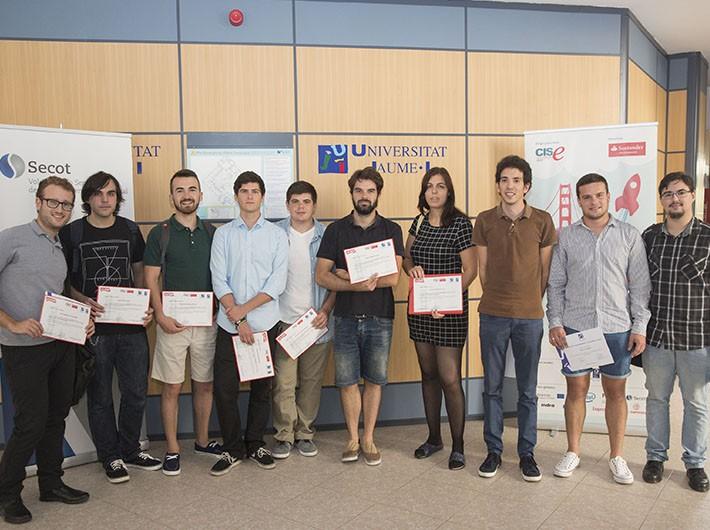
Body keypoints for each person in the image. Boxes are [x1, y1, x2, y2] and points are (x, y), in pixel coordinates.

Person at [547, 173, 650, 484]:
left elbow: (641, 287)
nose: (594, 202)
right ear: (579, 200)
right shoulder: (566, 236)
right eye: (587, 197)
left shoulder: (629, 235)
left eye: (599, 195)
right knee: (576, 390)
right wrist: (555, 322)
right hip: (576, 327)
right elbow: (556, 284)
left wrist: (639, 326)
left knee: (615, 393)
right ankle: (573, 451)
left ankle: (617, 456)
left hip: (617, 328)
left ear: (608, 195)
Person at [0, 177, 91, 524]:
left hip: (60, 344)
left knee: (56, 417)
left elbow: (58, 294)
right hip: (24, 349)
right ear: (38, 202)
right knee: (30, 423)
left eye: (66, 204)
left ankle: (51, 484)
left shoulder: (59, 244)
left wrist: (82, 319)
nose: (60, 209)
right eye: (53, 202)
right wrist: (11, 323)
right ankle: (7, 494)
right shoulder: (12, 238)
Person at [59, 171, 159, 485]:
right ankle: (110, 456)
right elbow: (63, 279)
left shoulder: (130, 230)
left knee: (136, 393)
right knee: (100, 396)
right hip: (93, 329)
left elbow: (139, 273)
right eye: (98, 194)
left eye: (111, 193)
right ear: (87, 198)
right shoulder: (72, 233)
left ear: (118, 198)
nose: (105, 200)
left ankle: (130, 449)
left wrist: (145, 306)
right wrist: (81, 300)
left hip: (131, 328)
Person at [473, 155, 556, 482]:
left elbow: (545, 270)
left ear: (527, 186)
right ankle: (493, 450)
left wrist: (529, 299)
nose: (510, 186)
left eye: (516, 181)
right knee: (492, 387)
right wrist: (498, 296)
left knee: (527, 390)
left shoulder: (542, 221)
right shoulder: (484, 220)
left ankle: (526, 453)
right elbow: (482, 268)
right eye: (504, 180)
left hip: (529, 316)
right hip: (492, 314)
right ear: (497, 185)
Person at [316, 166, 403, 466]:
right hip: (345, 317)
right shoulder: (335, 230)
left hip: (380, 317)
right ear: (351, 193)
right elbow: (321, 275)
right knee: (347, 381)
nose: (364, 196)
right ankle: (352, 438)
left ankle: (368, 438)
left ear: (378, 194)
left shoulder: (392, 230)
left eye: (370, 191)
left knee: (375, 380)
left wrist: (348, 274)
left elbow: (393, 278)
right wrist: (356, 283)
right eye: (359, 190)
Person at [209, 171, 288, 476]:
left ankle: (255, 443)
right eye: (244, 191)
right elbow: (219, 279)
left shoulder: (276, 235)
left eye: (255, 191)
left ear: (263, 196)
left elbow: (276, 283)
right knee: (224, 389)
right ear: (236, 196)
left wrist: (245, 313)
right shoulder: (223, 235)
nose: (250, 196)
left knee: (261, 389)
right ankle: (232, 448)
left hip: (265, 323)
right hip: (230, 325)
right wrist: (239, 317)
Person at [143, 169, 222, 476]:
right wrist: (160, 315)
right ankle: (173, 449)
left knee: (205, 385)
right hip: (171, 323)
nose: (186, 195)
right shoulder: (159, 233)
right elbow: (151, 278)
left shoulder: (213, 233)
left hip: (207, 323)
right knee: (172, 388)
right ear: (171, 197)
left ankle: (201, 441)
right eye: (179, 190)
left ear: (201, 195)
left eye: (191, 189)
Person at [402, 167, 476, 470]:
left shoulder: (460, 224)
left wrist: (448, 301)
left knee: (450, 378)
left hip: (450, 312)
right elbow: (407, 257)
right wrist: (411, 269)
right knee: (428, 374)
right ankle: (434, 438)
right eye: (429, 186)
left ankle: (458, 446)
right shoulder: (418, 221)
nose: (434, 192)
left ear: (449, 191)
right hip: (421, 310)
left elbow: (471, 270)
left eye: (440, 186)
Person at [641, 172, 710, 493]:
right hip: (657, 338)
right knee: (657, 399)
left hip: (697, 340)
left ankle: (695, 463)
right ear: (662, 200)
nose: (675, 199)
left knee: (696, 403)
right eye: (668, 194)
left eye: (681, 192)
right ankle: (655, 457)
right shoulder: (650, 237)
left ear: (692, 195)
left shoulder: (707, 238)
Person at [271, 181, 336, 460]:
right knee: (284, 384)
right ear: (287, 205)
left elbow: (337, 278)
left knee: (311, 382)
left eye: (306, 201)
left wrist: (326, 310)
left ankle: (305, 433)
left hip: (316, 324)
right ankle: (284, 435)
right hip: (284, 322)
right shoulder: (274, 233)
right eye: (295, 201)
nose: (300, 207)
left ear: (314, 205)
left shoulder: (327, 235)